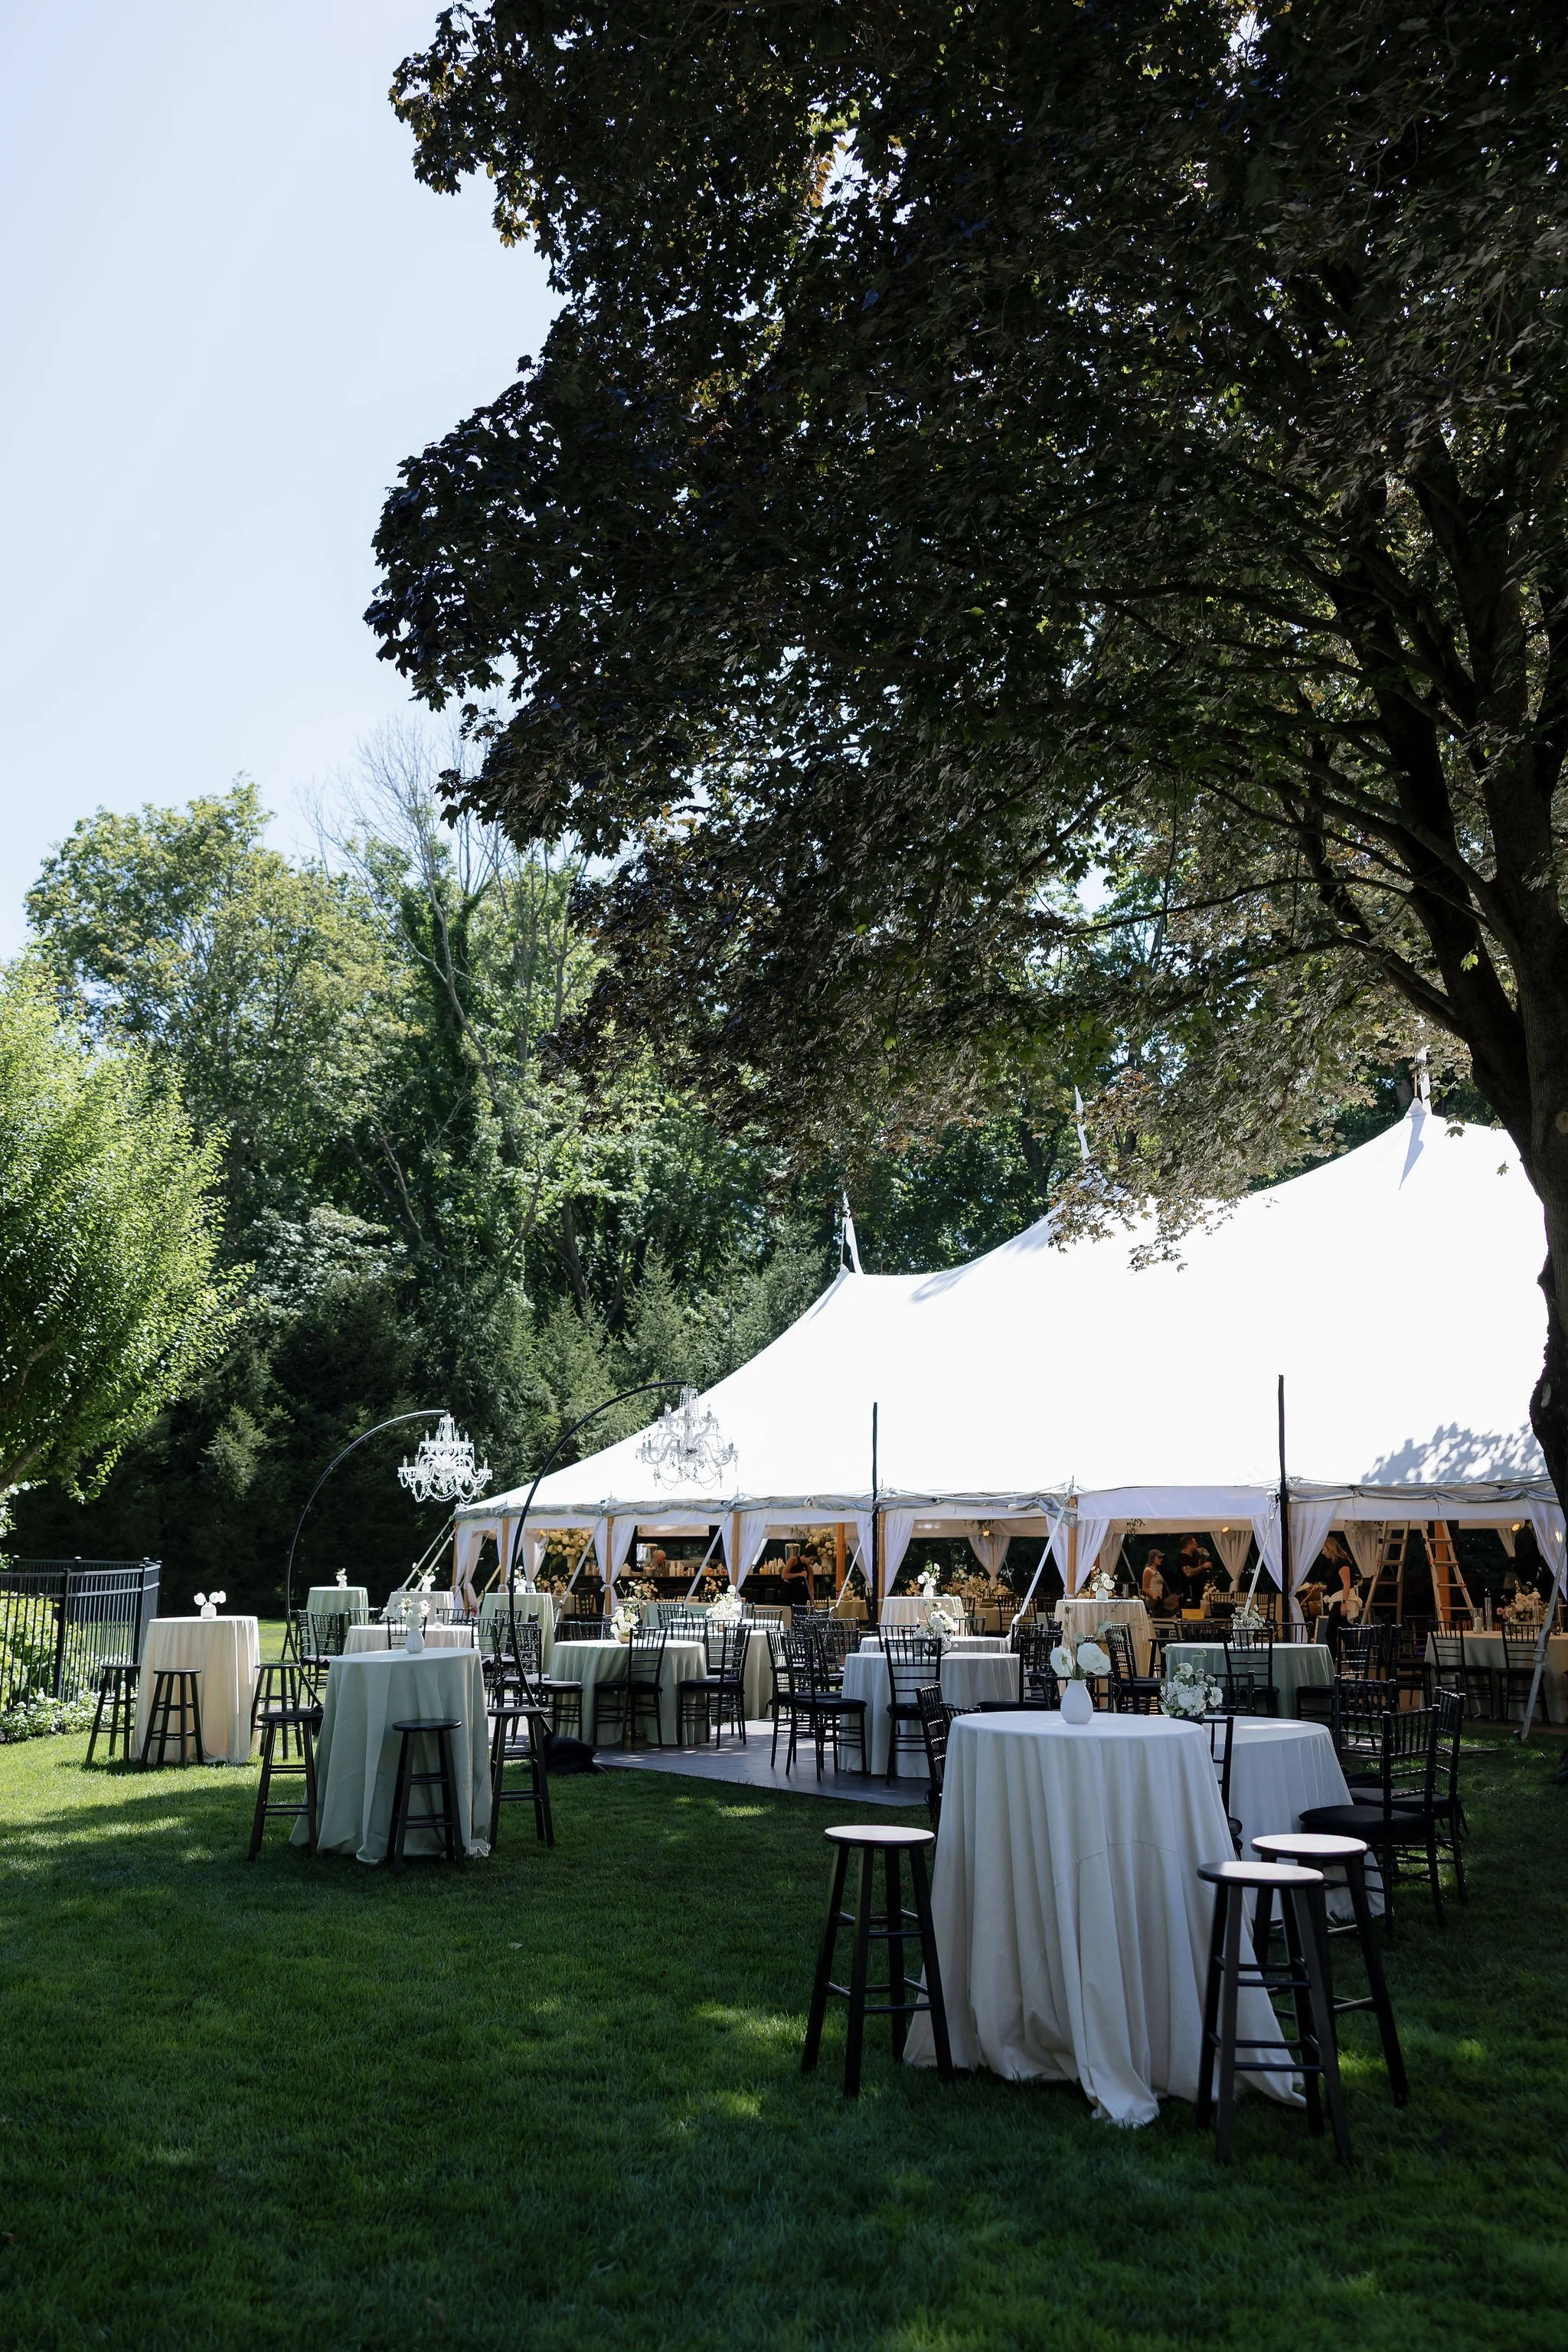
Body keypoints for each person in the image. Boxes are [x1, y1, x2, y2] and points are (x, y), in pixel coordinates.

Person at [1141, 1548, 1179, 1619]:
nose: (1161, 1559)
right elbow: (1144, 1587)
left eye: (1161, 1558)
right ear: (1153, 1558)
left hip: (1159, 1600)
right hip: (1153, 1600)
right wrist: (1153, 1595)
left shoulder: (1156, 1571)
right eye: (1159, 1557)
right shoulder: (1148, 1571)